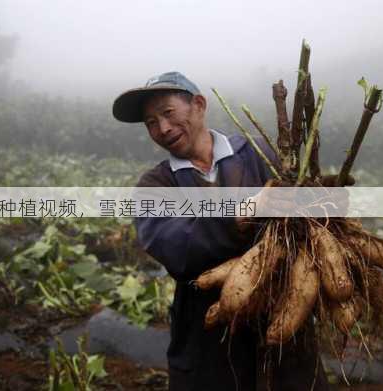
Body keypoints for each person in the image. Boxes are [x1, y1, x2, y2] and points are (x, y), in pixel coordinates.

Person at [112, 71, 330, 391]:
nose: (163, 129)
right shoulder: (156, 185)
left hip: (286, 321)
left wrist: (323, 206)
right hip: (209, 336)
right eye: (151, 123)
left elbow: (308, 213)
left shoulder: (262, 155)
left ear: (198, 104)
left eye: (168, 113)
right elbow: (174, 248)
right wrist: (242, 214)